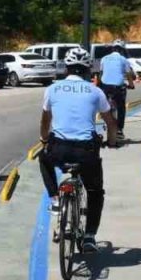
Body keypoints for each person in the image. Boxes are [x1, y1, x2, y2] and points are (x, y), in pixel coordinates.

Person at [39, 47, 118, 254]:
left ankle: (55, 199)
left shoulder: (52, 89)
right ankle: (90, 236)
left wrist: (44, 139)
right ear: (87, 70)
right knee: (95, 192)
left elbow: (45, 119)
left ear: (66, 68)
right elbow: (111, 123)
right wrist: (111, 142)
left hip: (59, 149)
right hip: (86, 152)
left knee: (43, 158)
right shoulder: (96, 91)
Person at [98, 39, 136, 140]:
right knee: (121, 107)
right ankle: (119, 129)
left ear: (112, 49)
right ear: (122, 50)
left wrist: (99, 86)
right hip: (118, 87)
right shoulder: (123, 59)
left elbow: (100, 74)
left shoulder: (104, 58)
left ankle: (105, 120)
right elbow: (128, 74)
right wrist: (131, 85)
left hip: (105, 86)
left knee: (104, 106)